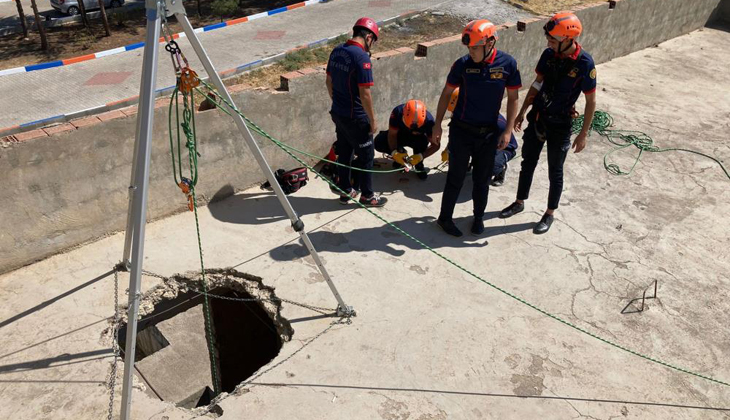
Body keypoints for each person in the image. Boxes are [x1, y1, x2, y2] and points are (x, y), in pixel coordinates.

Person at [499, 11, 597, 234]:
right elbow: (537, 84)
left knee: (556, 170)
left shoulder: (584, 63)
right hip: (538, 118)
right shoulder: (548, 55)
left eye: (553, 39)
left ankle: (549, 213)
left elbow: (591, 101)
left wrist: (584, 133)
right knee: (528, 163)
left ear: (567, 39)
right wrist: (523, 111)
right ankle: (519, 202)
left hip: (561, 125)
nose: (548, 42)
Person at [432, 19, 521, 238]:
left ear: (490, 42)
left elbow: (513, 98)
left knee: (482, 179)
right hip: (462, 131)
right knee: (456, 177)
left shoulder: (507, 64)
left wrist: (508, 130)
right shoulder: (462, 64)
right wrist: (437, 126)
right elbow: (446, 94)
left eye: (474, 47)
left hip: (489, 134)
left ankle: (478, 217)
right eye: (469, 48)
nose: (471, 52)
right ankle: (444, 218)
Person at [325, 17, 387, 207]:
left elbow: (329, 82)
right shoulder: (361, 58)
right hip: (356, 118)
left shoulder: (337, 51)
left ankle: (346, 191)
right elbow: (365, 93)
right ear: (368, 37)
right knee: (367, 156)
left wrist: (337, 103)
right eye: (373, 41)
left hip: (338, 114)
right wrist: (372, 120)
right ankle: (367, 196)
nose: (372, 45)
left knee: (345, 153)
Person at [441, 88, 518, 186]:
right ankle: (468, 164)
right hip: (482, 143)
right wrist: (448, 149)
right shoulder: (462, 117)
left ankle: (500, 169)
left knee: (489, 168)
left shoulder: (494, 122)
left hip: (502, 147)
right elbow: (456, 135)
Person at [373, 100, 439, 180]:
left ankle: (418, 165)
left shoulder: (429, 121)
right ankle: (401, 156)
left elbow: (436, 145)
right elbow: (392, 135)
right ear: (403, 115)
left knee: (422, 141)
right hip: (400, 135)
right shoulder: (397, 113)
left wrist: (421, 156)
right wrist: (394, 152)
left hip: (418, 140)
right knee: (379, 142)